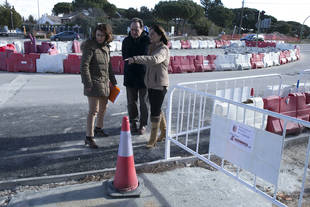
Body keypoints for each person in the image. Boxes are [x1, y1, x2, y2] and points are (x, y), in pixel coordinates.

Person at [125, 25, 169, 148]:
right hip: (151, 84)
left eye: (153, 34)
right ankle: (164, 132)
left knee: (154, 113)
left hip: (159, 85)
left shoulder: (163, 49)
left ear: (160, 35)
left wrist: (136, 59)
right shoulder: (152, 47)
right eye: (149, 34)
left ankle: (153, 140)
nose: (150, 36)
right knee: (157, 109)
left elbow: (155, 60)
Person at [80, 23, 117, 149]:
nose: (99, 37)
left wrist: (113, 81)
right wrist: (87, 83)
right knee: (93, 111)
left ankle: (99, 128)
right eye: (97, 35)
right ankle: (89, 137)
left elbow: (109, 66)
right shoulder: (90, 46)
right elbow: (84, 66)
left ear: (107, 36)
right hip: (93, 83)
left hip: (105, 83)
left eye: (102, 35)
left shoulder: (106, 47)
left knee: (103, 108)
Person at [122, 17, 150, 135]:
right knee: (131, 102)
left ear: (142, 28)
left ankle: (143, 124)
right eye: (132, 29)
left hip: (144, 76)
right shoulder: (126, 41)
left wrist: (135, 59)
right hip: (130, 75)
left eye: (136, 29)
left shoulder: (147, 40)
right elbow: (125, 57)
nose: (134, 32)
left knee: (144, 102)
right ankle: (133, 122)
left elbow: (147, 57)